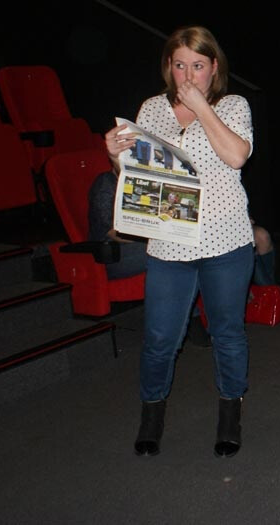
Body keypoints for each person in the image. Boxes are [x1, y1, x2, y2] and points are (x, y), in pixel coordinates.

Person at [104, 25, 254, 459]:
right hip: (169, 243)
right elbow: (138, 176)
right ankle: (151, 416)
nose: (188, 75)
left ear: (214, 68)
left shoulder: (233, 105)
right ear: (168, 67)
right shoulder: (152, 108)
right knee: (160, 338)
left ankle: (230, 415)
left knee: (227, 334)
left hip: (225, 240)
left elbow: (236, 156)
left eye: (198, 65)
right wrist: (115, 155)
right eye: (180, 65)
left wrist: (201, 108)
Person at [86, 169, 150, 280]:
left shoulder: (139, 182)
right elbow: (114, 233)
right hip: (112, 253)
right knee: (163, 249)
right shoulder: (107, 182)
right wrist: (154, 236)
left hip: (137, 246)